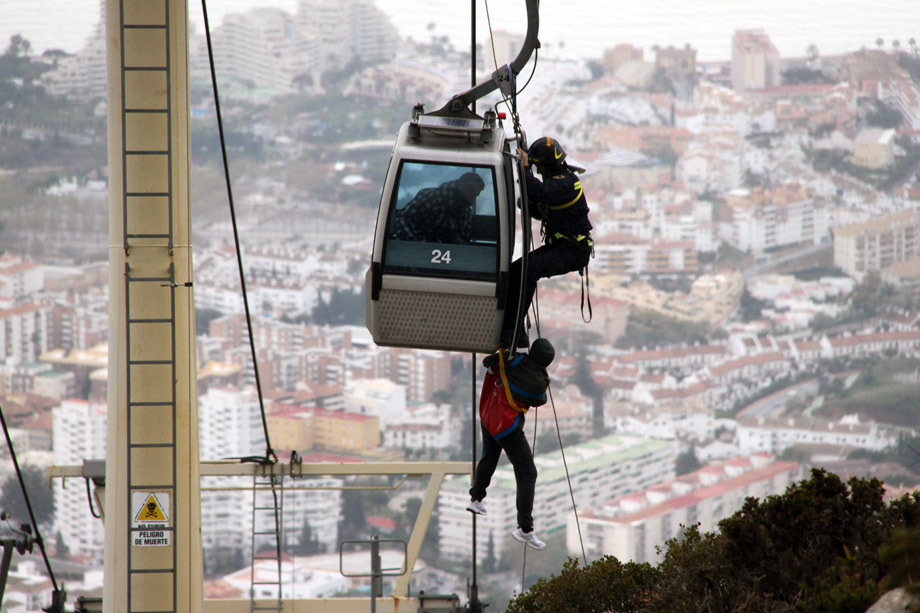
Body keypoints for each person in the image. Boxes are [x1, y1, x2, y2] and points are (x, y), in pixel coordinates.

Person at [501, 137, 593, 348]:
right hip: (561, 247)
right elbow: (540, 205)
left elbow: (537, 191)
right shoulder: (558, 185)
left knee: (529, 271)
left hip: (572, 250)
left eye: (539, 166)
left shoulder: (566, 183)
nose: (538, 170)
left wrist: (524, 167)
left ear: (548, 165)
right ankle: (516, 328)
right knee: (517, 270)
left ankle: (512, 331)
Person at [466, 337, 556, 550]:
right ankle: (525, 529)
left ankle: (476, 498)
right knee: (528, 473)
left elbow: (489, 362)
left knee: (489, 456)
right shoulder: (535, 382)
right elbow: (540, 399)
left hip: (489, 415)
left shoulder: (509, 361)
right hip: (506, 426)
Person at [391, 171, 485, 244]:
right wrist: (420, 245)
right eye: (472, 194)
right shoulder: (431, 197)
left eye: (476, 196)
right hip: (412, 255)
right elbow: (404, 219)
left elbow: (462, 244)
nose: (473, 200)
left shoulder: (466, 213)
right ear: (461, 187)